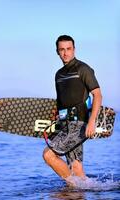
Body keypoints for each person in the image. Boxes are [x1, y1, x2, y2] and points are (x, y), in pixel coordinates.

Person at [43, 35, 102, 185]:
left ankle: (74, 185)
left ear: (74, 49)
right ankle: (85, 189)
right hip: (65, 124)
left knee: (48, 155)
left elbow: (97, 95)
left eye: (69, 49)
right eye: (62, 49)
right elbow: (61, 102)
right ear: (57, 51)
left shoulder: (83, 69)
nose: (65, 53)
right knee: (76, 168)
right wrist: (56, 124)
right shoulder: (58, 75)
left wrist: (92, 121)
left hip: (79, 124)